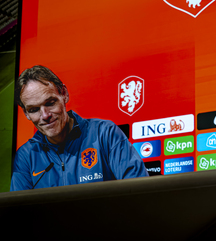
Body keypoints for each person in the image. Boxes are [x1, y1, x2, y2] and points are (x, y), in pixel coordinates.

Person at [11, 65, 148, 191]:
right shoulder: (26, 156)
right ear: (26, 113)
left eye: (50, 103)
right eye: (34, 109)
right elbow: (20, 214)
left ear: (64, 94)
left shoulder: (105, 134)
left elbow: (139, 193)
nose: (45, 115)